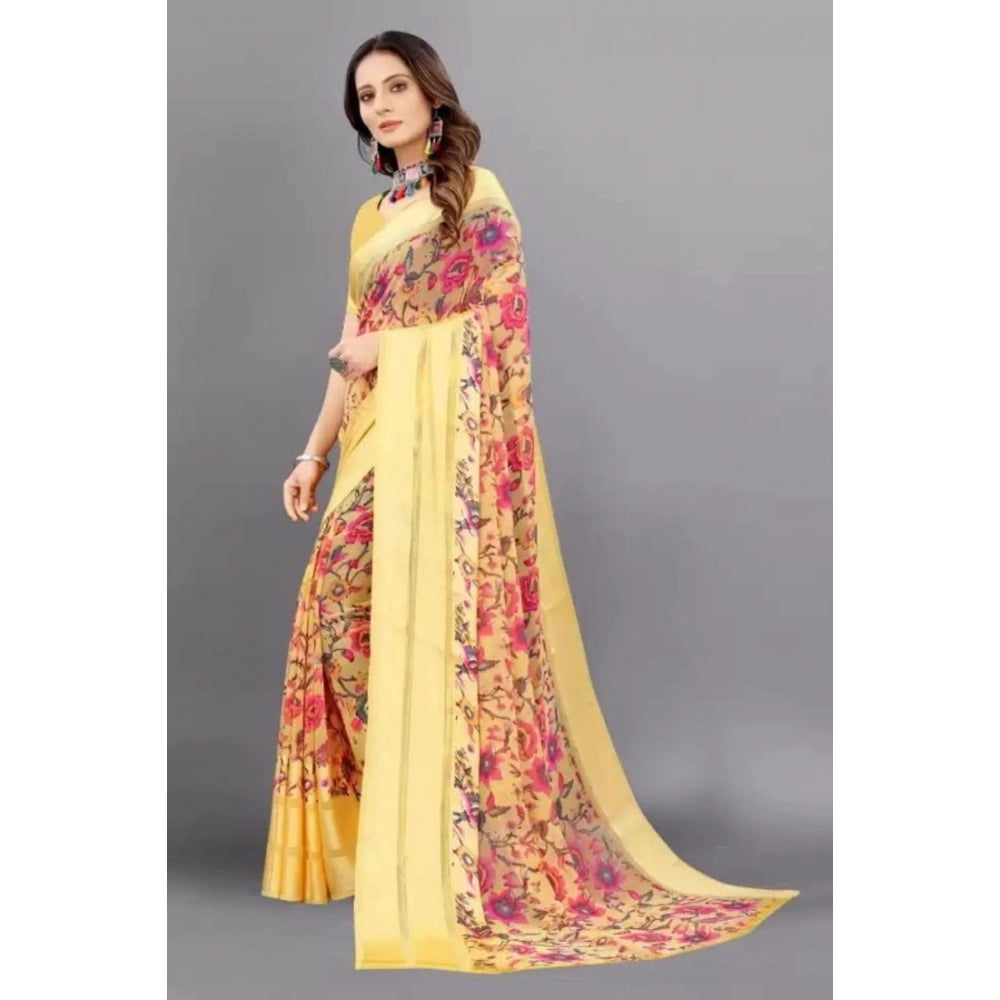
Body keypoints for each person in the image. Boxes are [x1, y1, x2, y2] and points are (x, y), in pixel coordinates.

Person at [260, 30, 799, 974]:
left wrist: (397, 351)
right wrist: (312, 451)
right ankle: (414, 817)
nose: (380, 105)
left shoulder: (478, 197)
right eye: (366, 95)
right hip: (375, 444)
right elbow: (350, 345)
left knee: (433, 627)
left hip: (447, 450)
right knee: (339, 609)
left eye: (395, 87)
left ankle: (451, 831)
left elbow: (499, 330)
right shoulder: (369, 219)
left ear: (432, 97)